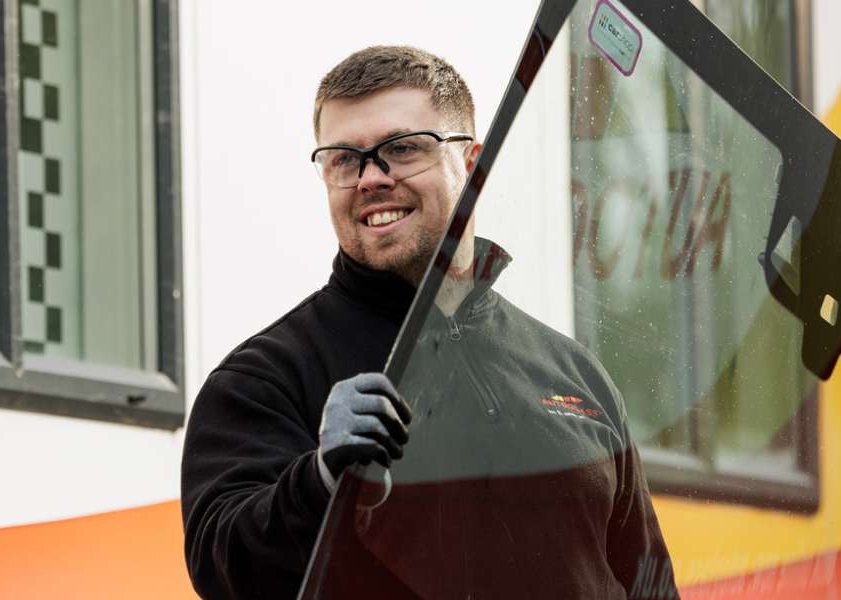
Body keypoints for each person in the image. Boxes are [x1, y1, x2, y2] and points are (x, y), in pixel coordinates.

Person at [181, 45, 676, 599]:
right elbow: (223, 567)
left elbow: (649, 584)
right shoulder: (266, 377)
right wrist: (321, 478)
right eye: (344, 158)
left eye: (401, 148)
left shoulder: (574, 375)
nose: (370, 178)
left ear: (472, 163)